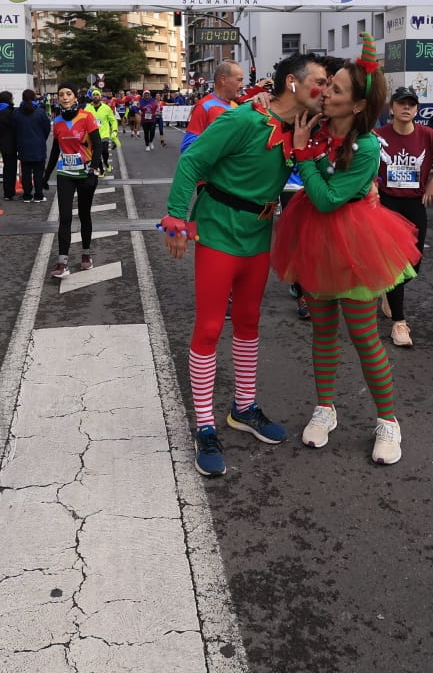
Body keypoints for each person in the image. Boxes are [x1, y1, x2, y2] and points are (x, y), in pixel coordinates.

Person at [163, 52, 331, 476]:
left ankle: (244, 407)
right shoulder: (242, 119)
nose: (325, 90)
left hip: (258, 236)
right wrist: (177, 219)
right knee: (208, 327)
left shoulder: (302, 129)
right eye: (321, 82)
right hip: (219, 232)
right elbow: (192, 161)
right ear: (292, 83)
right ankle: (203, 425)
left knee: (250, 321)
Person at [273, 35, 419, 465]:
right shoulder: (315, 125)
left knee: (362, 335)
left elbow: (326, 198)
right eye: (327, 84)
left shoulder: (368, 145)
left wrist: (302, 156)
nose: (324, 92)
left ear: (357, 105)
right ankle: (325, 409)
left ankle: (388, 421)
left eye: (334, 88)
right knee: (321, 330)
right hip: (315, 241)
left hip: (354, 240)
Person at [376, 85, 433, 347]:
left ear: (417, 109)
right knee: (396, 265)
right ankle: (399, 324)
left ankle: (389, 294)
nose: (406, 108)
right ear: (391, 108)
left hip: (414, 204)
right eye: (401, 103)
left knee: (412, 267)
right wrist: (370, 187)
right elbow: (363, 161)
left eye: (411, 104)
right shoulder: (378, 135)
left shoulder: (427, 135)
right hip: (387, 204)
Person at [44, 82, 105, 278]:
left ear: (75, 97)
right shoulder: (58, 121)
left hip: (86, 172)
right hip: (65, 174)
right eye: (61, 94)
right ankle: (63, 263)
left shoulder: (86, 117)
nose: (64, 97)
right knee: (65, 218)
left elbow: (97, 144)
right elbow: (55, 150)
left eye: (68, 93)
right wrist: (45, 175)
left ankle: (86, 254)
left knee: (84, 214)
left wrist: (94, 168)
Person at [180, 61, 245, 154]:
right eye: (239, 80)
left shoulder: (236, 105)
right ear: (223, 79)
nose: (242, 85)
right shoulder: (203, 106)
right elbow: (187, 148)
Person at [10, 89, 51, 202]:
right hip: (38, 146)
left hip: (23, 147)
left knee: (26, 172)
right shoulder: (40, 112)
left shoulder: (16, 113)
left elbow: (13, 130)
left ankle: (27, 195)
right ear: (34, 98)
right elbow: (47, 129)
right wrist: (41, 139)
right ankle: (38, 195)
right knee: (38, 172)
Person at [0, 90, 19, 201]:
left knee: (7, 168)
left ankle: (8, 192)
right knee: (11, 168)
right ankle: (10, 192)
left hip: (2, 144)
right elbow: (15, 127)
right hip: (11, 144)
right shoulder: (9, 112)